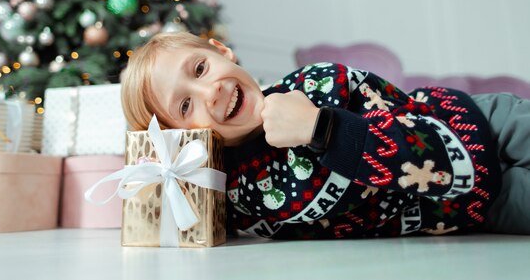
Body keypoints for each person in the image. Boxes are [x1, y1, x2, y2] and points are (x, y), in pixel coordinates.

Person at [121, 32, 530, 239]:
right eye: (185, 107)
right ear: (182, 140)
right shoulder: (238, 195)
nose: (210, 91)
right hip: (476, 209)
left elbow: (428, 149)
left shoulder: (315, 85)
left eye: (199, 69)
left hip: (479, 126)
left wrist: (322, 129)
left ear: (220, 51)